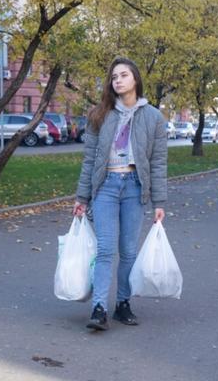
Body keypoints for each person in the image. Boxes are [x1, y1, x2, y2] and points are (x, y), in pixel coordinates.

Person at [72, 57, 168, 331]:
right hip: (106, 186)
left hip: (135, 187)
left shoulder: (153, 117)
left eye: (123, 75)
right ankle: (99, 307)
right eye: (114, 77)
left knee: (127, 251)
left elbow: (158, 162)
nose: (118, 80)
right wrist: (82, 197)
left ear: (135, 79)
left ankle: (122, 304)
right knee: (105, 249)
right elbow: (89, 160)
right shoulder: (100, 115)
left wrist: (159, 201)